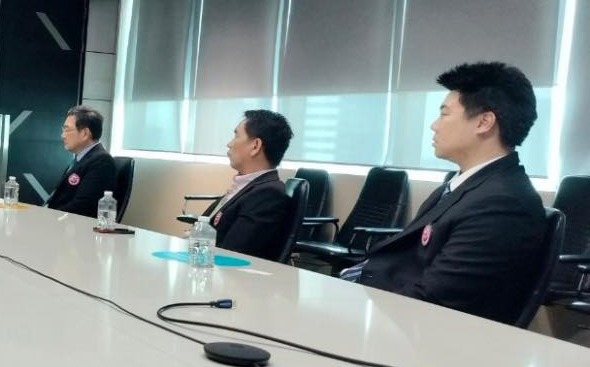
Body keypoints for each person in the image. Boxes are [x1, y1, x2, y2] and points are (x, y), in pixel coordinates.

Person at [342, 62, 546, 324]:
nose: (434, 126)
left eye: (444, 114)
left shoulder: (504, 204)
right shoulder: (462, 185)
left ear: (484, 122)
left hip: (422, 332)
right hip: (389, 308)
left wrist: (355, 307)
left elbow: (432, 300)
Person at [204, 110, 296, 260]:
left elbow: (232, 253)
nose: (229, 144)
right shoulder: (245, 187)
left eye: (236, 136)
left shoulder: (268, 195)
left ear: (255, 146)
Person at [46, 105, 116, 217]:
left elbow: (82, 206)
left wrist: (49, 216)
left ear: (84, 134)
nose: (63, 135)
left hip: (69, 224)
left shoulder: (102, 161)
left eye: (67, 130)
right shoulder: (82, 158)